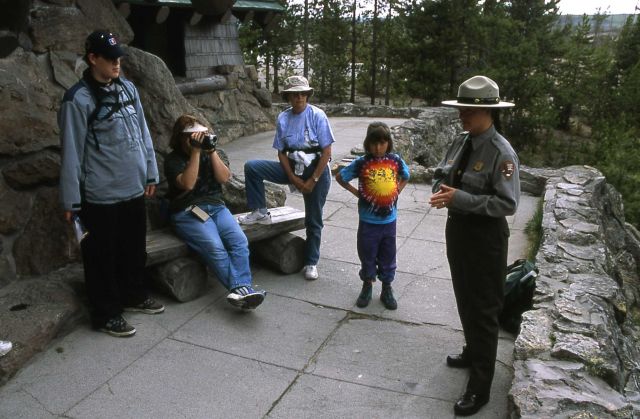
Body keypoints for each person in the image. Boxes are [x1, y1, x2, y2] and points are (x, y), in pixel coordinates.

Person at [59, 30, 164, 338]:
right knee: (101, 257)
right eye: (111, 58)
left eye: (119, 57)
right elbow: (71, 153)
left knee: (133, 249)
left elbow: (143, 132)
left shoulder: (128, 89)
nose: (118, 63)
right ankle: (106, 314)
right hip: (100, 195)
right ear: (93, 58)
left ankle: (133, 295)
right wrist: (70, 201)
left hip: (133, 187)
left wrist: (150, 172)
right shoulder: (77, 99)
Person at [429, 75, 520, 416]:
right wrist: (442, 186)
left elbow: (507, 204)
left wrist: (461, 198)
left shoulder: (500, 152)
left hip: (485, 238)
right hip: (459, 231)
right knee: (465, 296)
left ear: (488, 113)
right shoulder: (461, 141)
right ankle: (473, 351)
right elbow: (445, 171)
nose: (462, 115)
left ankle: (480, 387)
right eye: (461, 108)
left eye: (468, 110)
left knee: (484, 308)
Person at [165, 115, 266, 309]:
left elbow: (224, 177)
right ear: (180, 137)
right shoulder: (173, 160)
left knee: (239, 241)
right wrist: (195, 153)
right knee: (215, 246)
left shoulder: (210, 152)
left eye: (202, 134)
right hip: (187, 212)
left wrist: (210, 151)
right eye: (192, 136)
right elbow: (188, 183)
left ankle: (241, 292)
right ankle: (243, 290)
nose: (198, 139)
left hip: (217, 207)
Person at [239, 76, 335, 281]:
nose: (299, 97)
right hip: (293, 167)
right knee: (253, 168)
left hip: (317, 170)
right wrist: (292, 178)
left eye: (302, 93)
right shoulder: (283, 118)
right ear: (288, 97)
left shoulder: (317, 115)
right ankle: (259, 211)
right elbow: (281, 152)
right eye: (294, 94)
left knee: (313, 219)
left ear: (307, 95)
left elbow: (327, 151)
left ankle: (311, 261)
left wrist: (312, 180)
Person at [336, 122, 410, 310]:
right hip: (368, 222)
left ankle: (387, 287)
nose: (378, 148)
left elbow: (406, 175)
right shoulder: (362, 163)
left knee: (388, 255)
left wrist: (396, 192)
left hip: (389, 222)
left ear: (388, 143)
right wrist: (357, 193)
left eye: (383, 143)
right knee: (367, 254)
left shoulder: (395, 160)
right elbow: (341, 177)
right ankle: (367, 285)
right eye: (374, 143)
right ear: (367, 144)